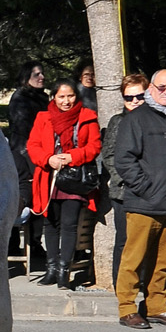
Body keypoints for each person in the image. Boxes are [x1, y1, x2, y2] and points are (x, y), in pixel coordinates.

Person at [113, 69, 166, 328]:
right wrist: (145, 187)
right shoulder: (136, 119)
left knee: (162, 261)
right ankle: (127, 309)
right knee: (133, 259)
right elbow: (124, 159)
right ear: (150, 89)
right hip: (144, 203)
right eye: (162, 87)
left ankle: (156, 305)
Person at [26, 77, 102, 288]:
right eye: (61, 97)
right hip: (49, 177)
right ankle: (51, 269)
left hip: (75, 179)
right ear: (53, 97)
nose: (66, 101)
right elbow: (33, 145)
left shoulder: (87, 117)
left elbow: (95, 146)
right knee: (50, 224)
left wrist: (72, 157)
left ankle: (63, 272)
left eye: (70, 96)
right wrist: (47, 159)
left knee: (69, 226)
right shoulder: (43, 117)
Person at [101, 72, 149, 289]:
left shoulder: (155, 121)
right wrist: (127, 179)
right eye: (129, 98)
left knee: (148, 240)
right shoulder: (118, 122)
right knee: (124, 240)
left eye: (139, 96)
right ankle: (121, 285)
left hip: (151, 191)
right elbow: (109, 155)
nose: (134, 101)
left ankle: (145, 282)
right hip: (124, 191)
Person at [7, 61, 48, 265]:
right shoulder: (20, 98)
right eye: (36, 74)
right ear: (25, 78)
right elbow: (23, 129)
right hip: (24, 154)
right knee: (23, 196)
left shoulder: (42, 97)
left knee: (40, 199)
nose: (41, 77)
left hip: (39, 152)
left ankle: (35, 242)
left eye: (42, 73)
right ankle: (14, 244)